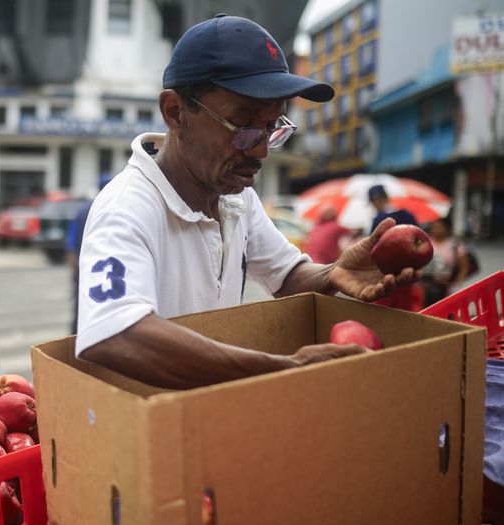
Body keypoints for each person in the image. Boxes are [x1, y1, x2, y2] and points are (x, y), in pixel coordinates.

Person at [75, 15, 420, 390]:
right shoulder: (127, 208)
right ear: (175, 112)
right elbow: (116, 333)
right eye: (242, 127)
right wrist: (282, 369)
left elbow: (286, 276)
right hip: (152, 419)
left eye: (271, 128)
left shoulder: (237, 200)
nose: (260, 151)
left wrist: (334, 272)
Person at [66, 174, 112, 334]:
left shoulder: (83, 211)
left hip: (83, 266)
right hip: (107, 267)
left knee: (80, 305)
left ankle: (77, 338)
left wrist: (72, 269)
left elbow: (71, 243)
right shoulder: (114, 209)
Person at [421, 216, 470, 307]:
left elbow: (464, 267)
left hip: (445, 284)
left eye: (439, 227)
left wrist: (456, 285)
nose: (435, 230)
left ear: (447, 229)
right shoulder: (426, 241)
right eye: (434, 227)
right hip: (426, 282)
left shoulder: (455, 244)